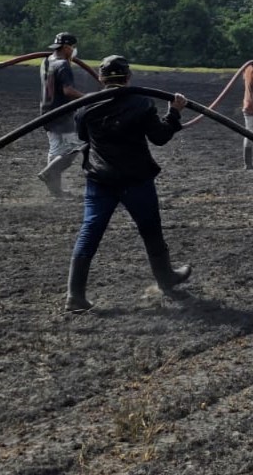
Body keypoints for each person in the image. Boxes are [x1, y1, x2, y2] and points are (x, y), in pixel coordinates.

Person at [64, 55, 191, 313]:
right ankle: (165, 277)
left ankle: (75, 295)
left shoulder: (86, 106)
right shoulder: (140, 102)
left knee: (90, 231)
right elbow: (159, 137)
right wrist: (174, 113)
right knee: (150, 230)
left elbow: (81, 135)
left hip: (100, 180)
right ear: (128, 77)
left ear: (101, 78)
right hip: (136, 180)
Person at [38, 32, 84, 197]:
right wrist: (88, 98)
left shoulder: (46, 61)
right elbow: (68, 90)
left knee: (56, 150)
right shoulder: (63, 65)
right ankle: (48, 172)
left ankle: (56, 191)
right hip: (62, 113)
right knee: (75, 147)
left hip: (46, 111)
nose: (73, 51)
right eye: (72, 47)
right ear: (66, 47)